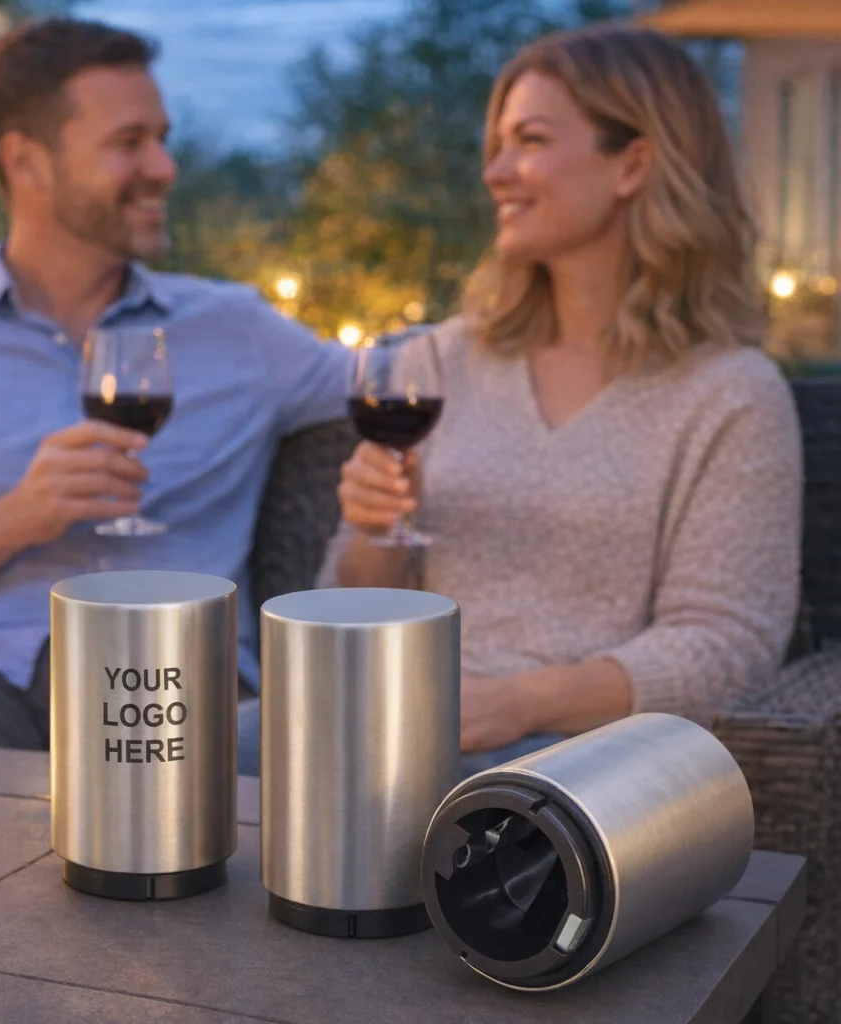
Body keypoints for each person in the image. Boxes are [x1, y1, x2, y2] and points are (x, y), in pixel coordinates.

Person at [282, 27, 803, 779]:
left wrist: (516, 703)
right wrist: (375, 528)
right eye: (496, 146)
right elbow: (351, 606)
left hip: (592, 759)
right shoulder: (446, 361)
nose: (495, 173)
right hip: (397, 720)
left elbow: (726, 648)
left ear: (633, 162)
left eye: (528, 140)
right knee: (186, 757)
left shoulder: (730, 394)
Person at [0, 18, 352, 748]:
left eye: (161, 138)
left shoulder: (239, 331)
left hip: (177, 669)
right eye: (130, 142)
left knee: (215, 777)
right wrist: (19, 516)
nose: (164, 167)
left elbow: (398, 380)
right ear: (26, 162)